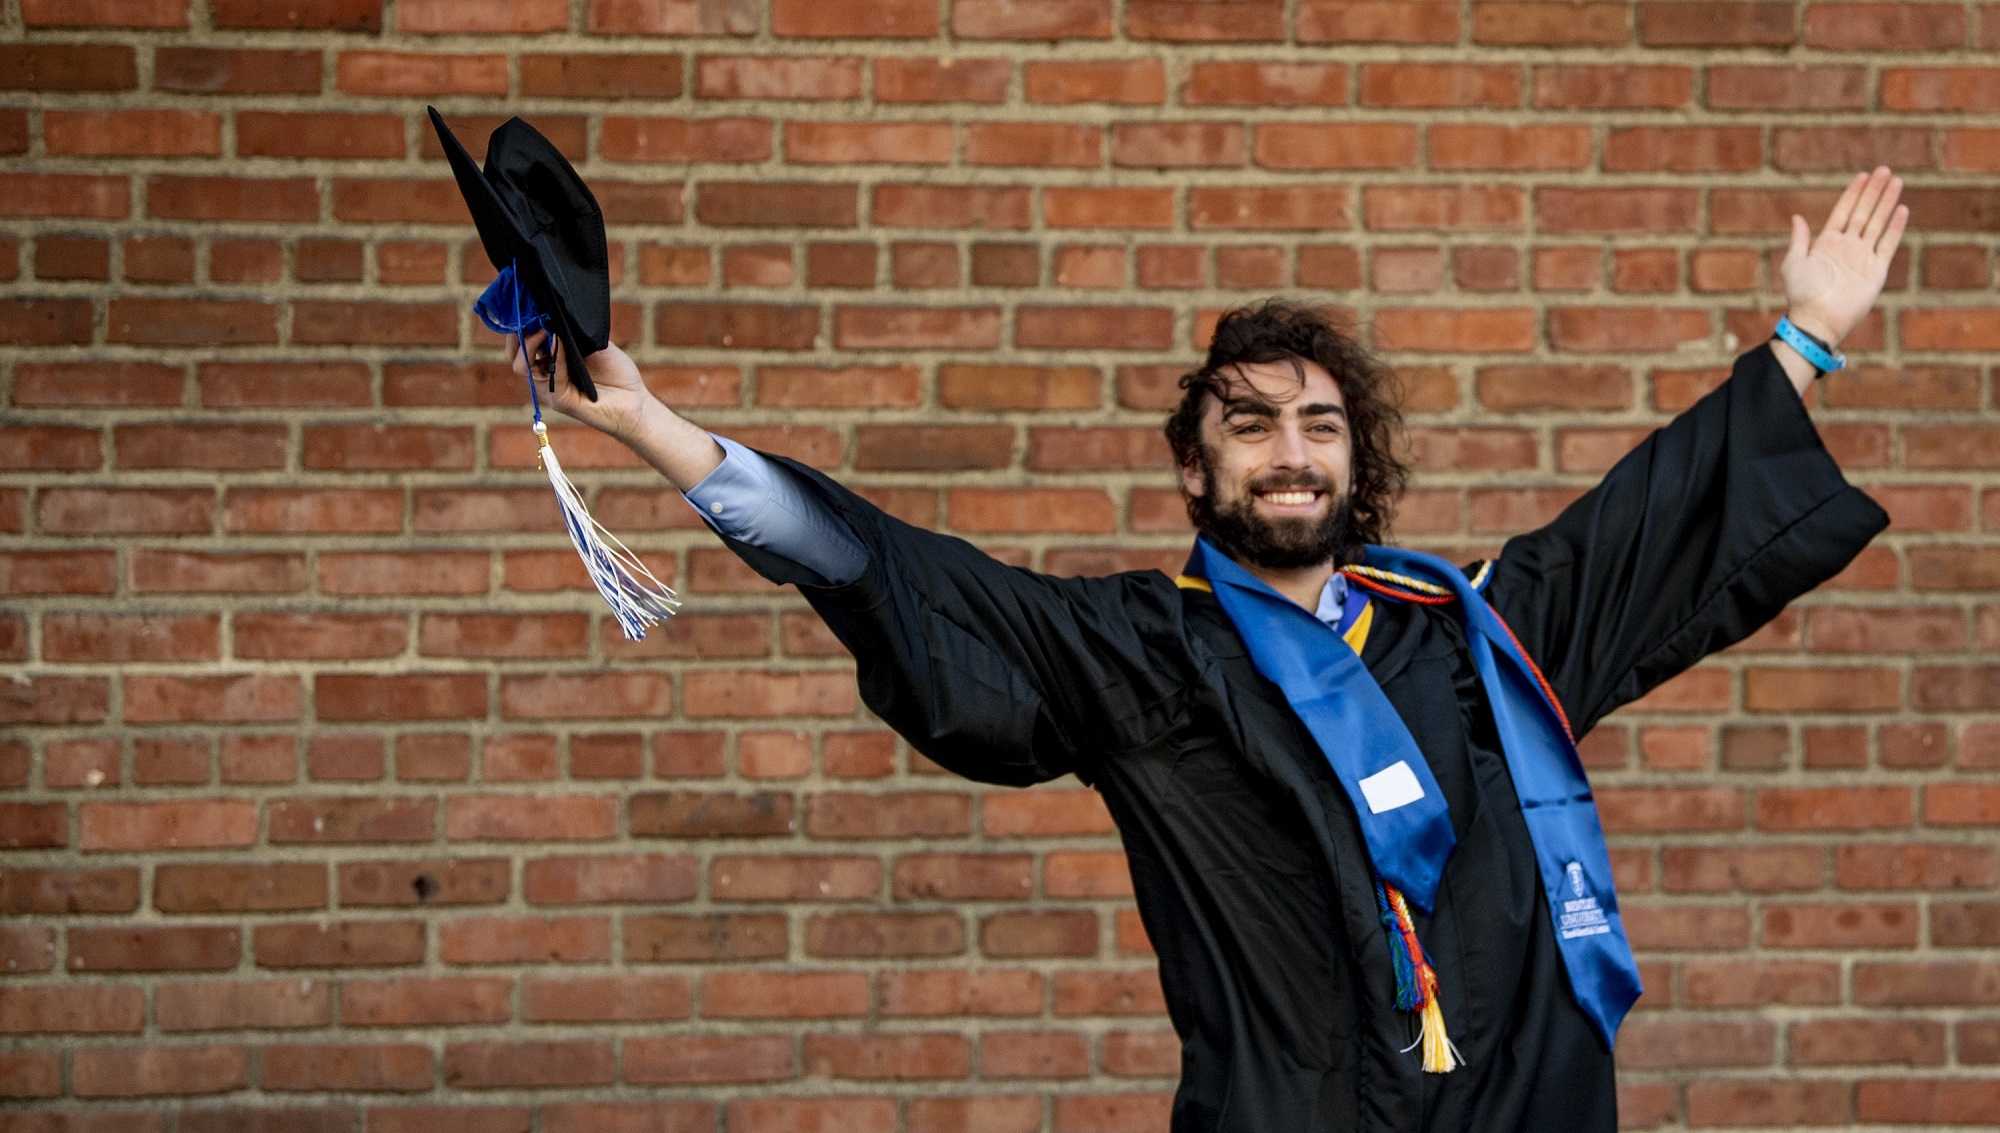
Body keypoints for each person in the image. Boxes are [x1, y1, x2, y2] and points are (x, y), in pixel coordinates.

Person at [503, 169, 1908, 1132]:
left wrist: (1807, 337)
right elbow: (899, 573)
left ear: (1357, 458)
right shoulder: (1142, 651)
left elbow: (1655, 516)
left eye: (1318, 425)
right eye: (1248, 426)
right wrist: (659, 433)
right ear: (1195, 470)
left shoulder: (1478, 627)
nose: (1288, 454)